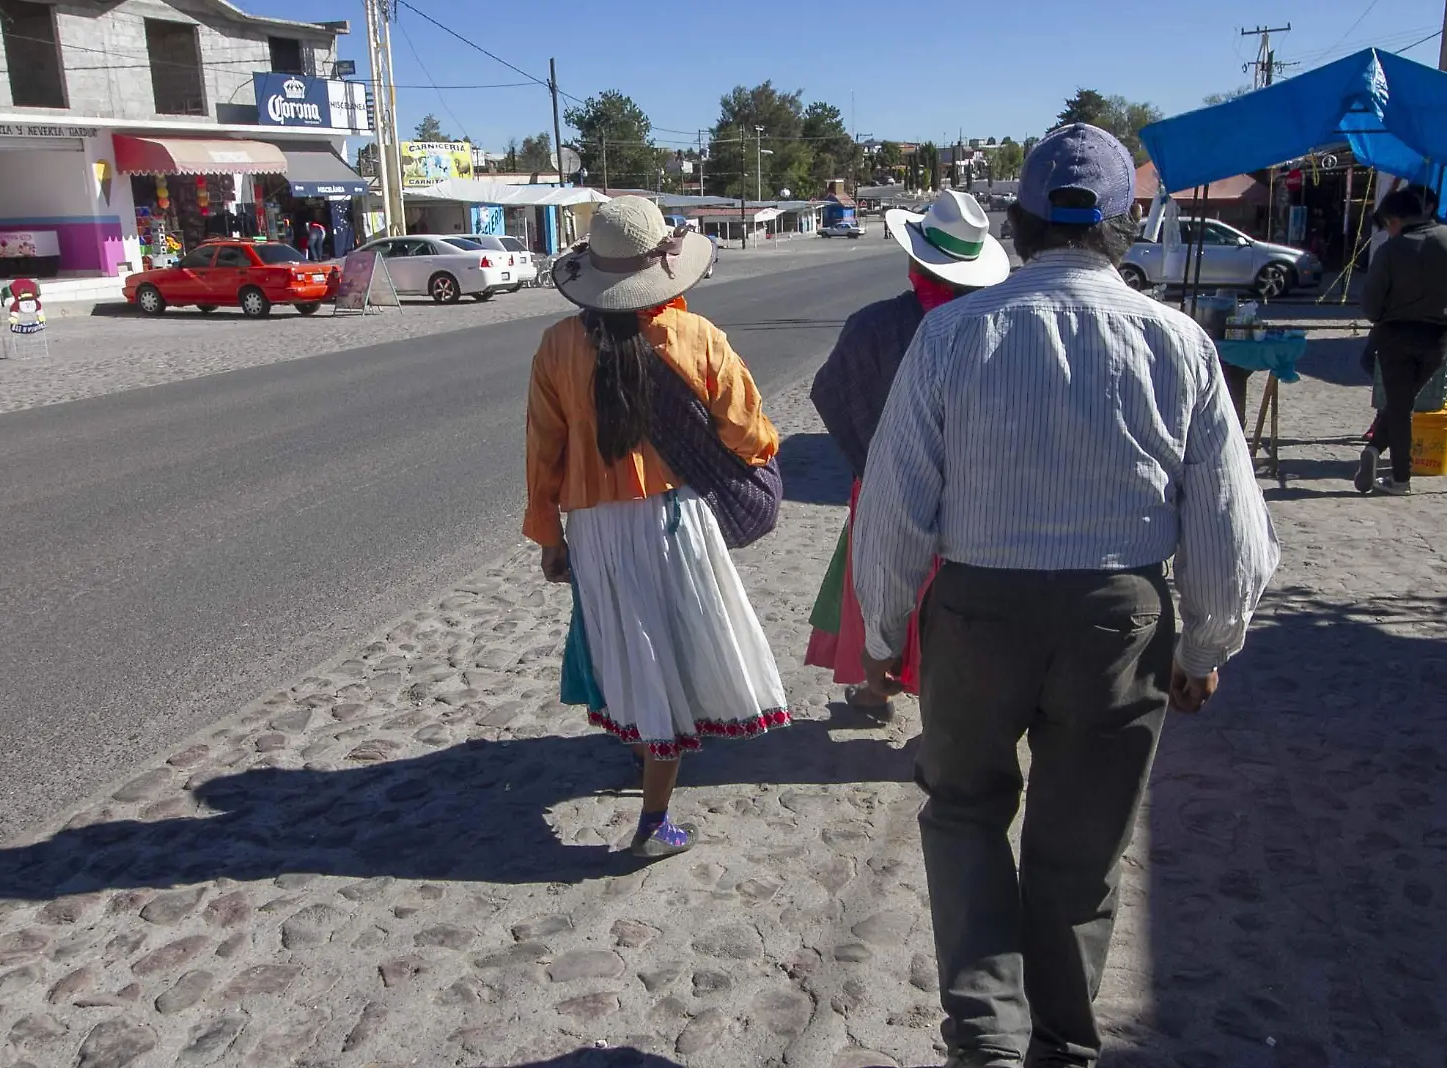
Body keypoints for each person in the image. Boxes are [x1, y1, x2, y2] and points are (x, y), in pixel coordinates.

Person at [853, 124, 1280, 1068]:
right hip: (1118, 625)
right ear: (1125, 229)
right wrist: (1205, 649)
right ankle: (1059, 1048)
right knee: (1079, 856)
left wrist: (883, 633)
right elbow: (1230, 531)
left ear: (1019, 220)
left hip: (975, 618)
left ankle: (987, 1039)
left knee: (963, 812)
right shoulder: (1180, 344)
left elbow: (893, 504)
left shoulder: (953, 333)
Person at [524, 196, 789, 859]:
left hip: (595, 528)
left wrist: (550, 535)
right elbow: (750, 435)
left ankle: (645, 748)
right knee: (672, 646)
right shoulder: (697, 337)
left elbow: (543, 450)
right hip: (675, 521)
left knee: (629, 643)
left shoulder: (558, 344)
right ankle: (654, 820)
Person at [805, 189, 1009, 711]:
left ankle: (878, 684)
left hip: (884, 485)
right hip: (975, 495)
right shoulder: (996, 328)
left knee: (883, 577)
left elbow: (831, 393)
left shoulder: (873, 324)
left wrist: (875, 465)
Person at [1354, 187, 1447, 495]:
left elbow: (1371, 304)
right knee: (1402, 403)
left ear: (1395, 220)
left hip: (1396, 334)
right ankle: (1376, 450)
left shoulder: (1391, 250)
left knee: (1399, 405)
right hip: (1440, 336)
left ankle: (1400, 478)